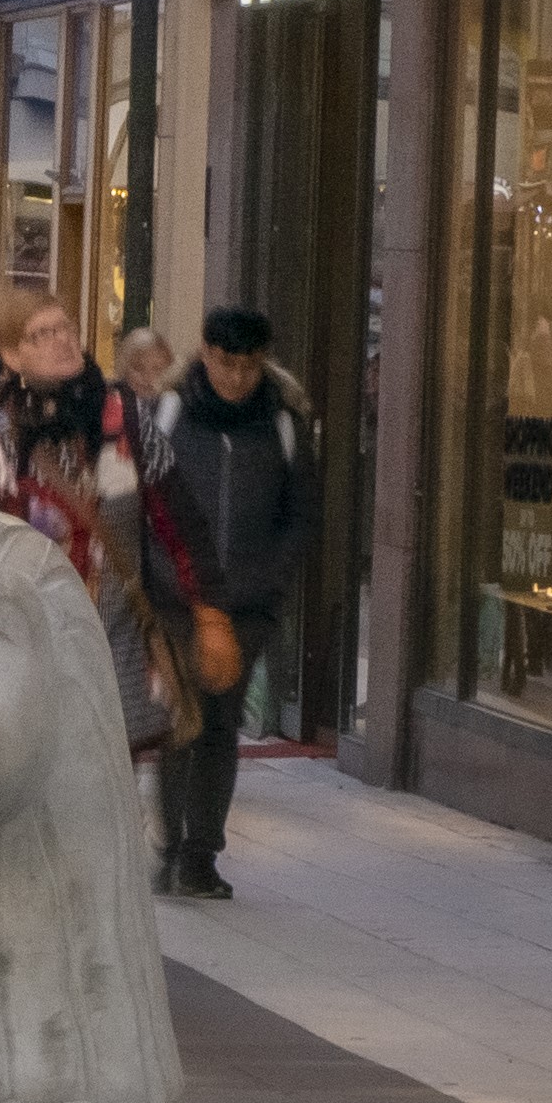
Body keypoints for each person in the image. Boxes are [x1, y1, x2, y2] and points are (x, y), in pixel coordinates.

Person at [0, 288, 198, 773]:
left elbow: (181, 524)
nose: (61, 340)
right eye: (41, 334)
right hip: (29, 656)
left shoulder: (128, 426)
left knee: (106, 788)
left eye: (65, 327)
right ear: (12, 355)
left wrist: (207, 612)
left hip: (115, 652)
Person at [150, 307, 317, 901]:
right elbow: (144, 502)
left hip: (246, 607)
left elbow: (300, 516)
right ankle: (171, 849)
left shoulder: (283, 421)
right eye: (226, 363)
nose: (237, 377)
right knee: (182, 721)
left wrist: (269, 587)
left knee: (220, 725)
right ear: (205, 354)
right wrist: (159, 583)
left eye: (249, 365)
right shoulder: (169, 412)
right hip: (176, 599)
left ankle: (200, 857)